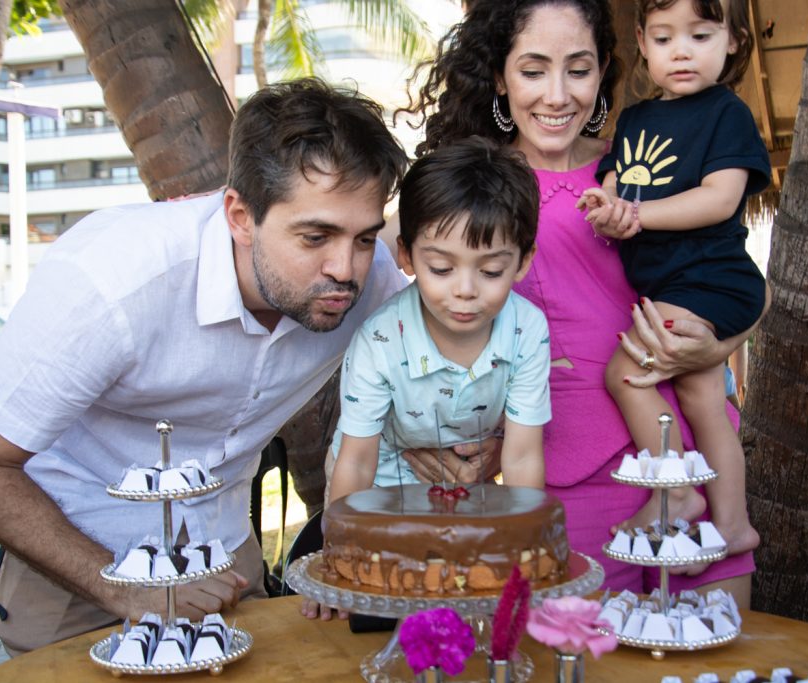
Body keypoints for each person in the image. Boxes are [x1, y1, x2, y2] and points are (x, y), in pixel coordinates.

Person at [0, 78, 410, 655]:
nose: (345, 268)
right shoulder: (114, 281)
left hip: (227, 555)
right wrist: (124, 589)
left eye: (364, 238)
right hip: (77, 556)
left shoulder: (371, 281)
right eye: (316, 236)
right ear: (239, 214)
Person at [396, 0, 763, 604]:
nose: (558, 95)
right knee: (589, 662)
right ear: (499, 77)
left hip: (694, 457)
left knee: (715, 656)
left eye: (579, 68)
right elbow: (382, 281)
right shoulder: (472, 186)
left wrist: (721, 340)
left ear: (603, 72)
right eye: (534, 69)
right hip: (569, 469)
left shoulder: (644, 164)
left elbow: (740, 273)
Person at [577, 0, 767, 556]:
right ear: (641, 40)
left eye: (700, 35)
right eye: (663, 38)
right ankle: (733, 525)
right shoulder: (634, 120)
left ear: (732, 40)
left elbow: (719, 198)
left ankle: (677, 493)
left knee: (627, 374)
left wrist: (636, 216)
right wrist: (607, 205)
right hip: (672, 287)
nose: (681, 50)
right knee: (703, 394)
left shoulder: (726, 113)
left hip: (712, 279)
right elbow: (613, 183)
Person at [327, 137, 550, 503]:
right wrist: (344, 544)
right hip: (374, 481)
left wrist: (524, 542)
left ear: (523, 261)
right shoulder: (380, 340)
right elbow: (356, 463)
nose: (465, 290)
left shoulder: (527, 331)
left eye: (492, 271)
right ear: (407, 255)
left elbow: (522, 455)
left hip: (465, 485)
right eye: (442, 268)